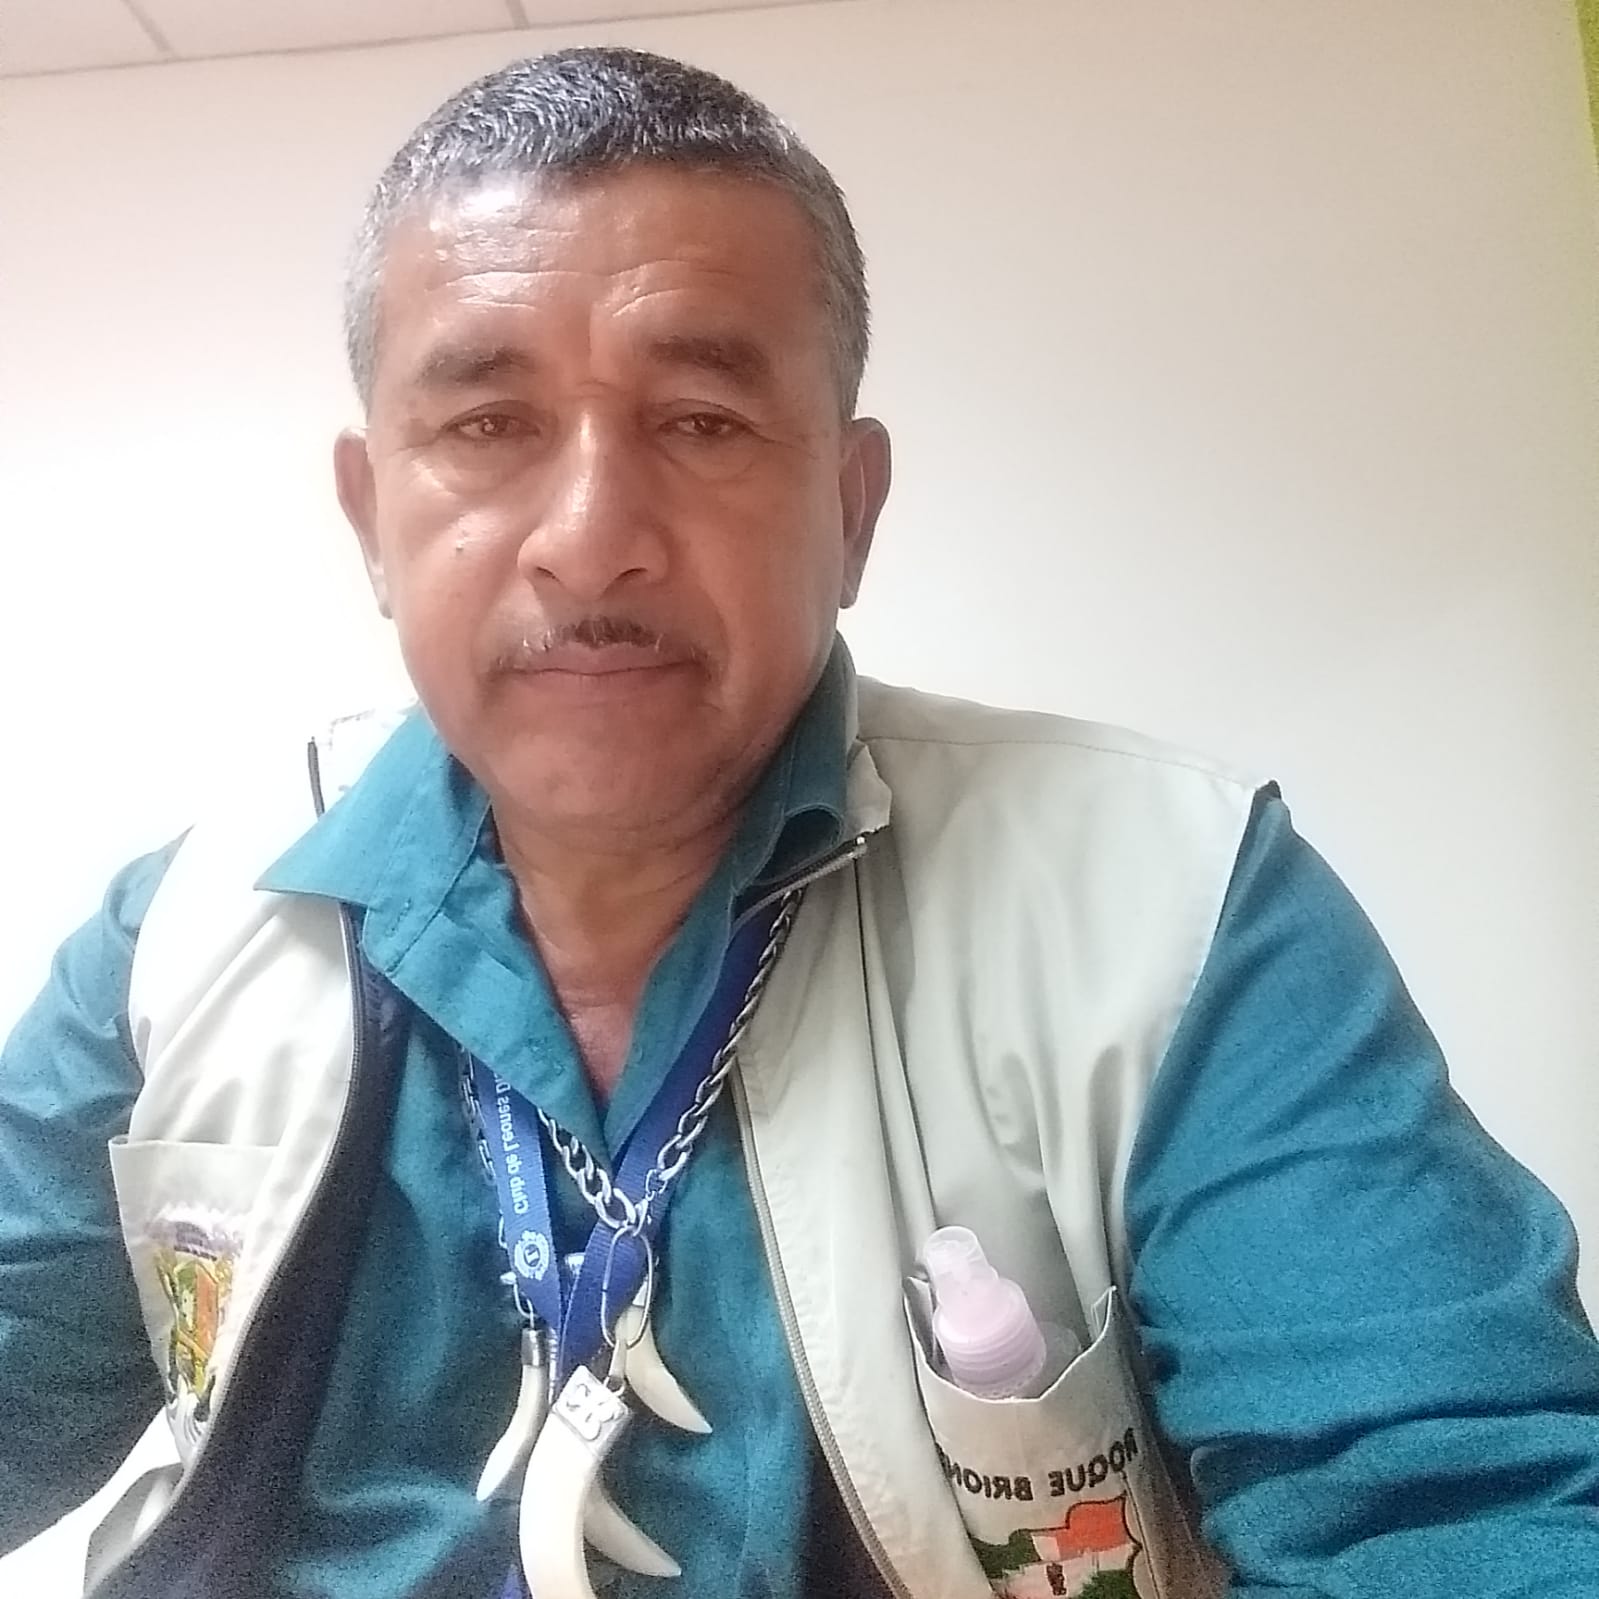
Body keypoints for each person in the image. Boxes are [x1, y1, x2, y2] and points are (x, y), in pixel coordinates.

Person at [2, 44, 1596, 1599]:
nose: (590, 541)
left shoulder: (1173, 906)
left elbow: (1453, 1497)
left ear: (850, 507)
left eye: (701, 420)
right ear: (372, 517)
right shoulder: (184, 931)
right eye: (487, 426)